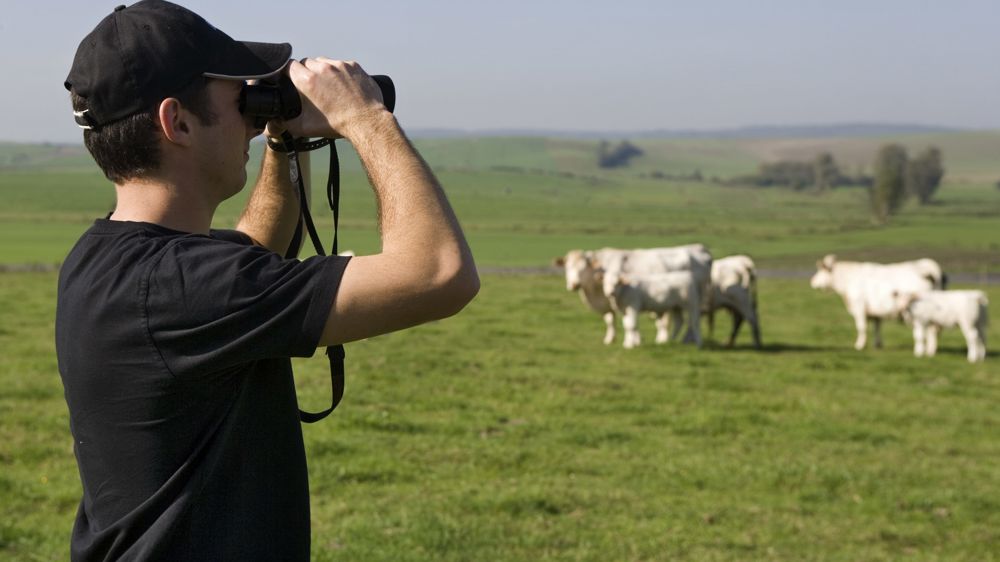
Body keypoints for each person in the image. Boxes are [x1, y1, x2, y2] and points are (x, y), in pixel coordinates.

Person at [56, 0, 479, 559]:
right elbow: (439, 273)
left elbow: (254, 252)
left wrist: (285, 139)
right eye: (239, 101)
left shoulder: (107, 258)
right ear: (176, 121)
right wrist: (366, 119)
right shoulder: (184, 286)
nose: (251, 122)